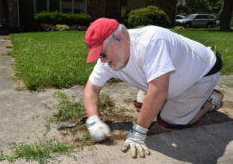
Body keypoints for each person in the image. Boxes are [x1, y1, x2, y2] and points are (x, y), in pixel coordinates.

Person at [83, 18, 223, 158]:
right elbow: (91, 89)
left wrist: (138, 131)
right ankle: (166, 97)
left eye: (102, 53)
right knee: (144, 103)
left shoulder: (151, 41)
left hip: (201, 75)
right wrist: (93, 119)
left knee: (169, 121)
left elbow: (159, 91)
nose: (101, 60)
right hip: (168, 81)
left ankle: (210, 101)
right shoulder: (108, 59)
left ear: (118, 38)